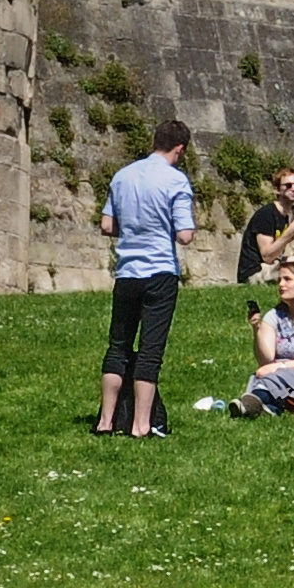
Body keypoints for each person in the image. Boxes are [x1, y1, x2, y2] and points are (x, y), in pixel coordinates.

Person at [99, 119, 200, 438]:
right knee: (149, 350)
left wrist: (133, 227)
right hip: (159, 274)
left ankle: (105, 422)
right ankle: (141, 425)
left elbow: (106, 225)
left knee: (118, 346)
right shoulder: (176, 181)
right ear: (180, 149)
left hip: (127, 273)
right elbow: (185, 235)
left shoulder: (123, 176)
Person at [212, 258, 294, 416]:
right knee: (266, 374)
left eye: (287, 279)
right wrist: (256, 329)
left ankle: (254, 401)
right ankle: (269, 409)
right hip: (280, 376)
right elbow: (266, 360)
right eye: (280, 279)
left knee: (276, 376)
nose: (281, 284)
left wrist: (280, 366)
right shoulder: (273, 316)